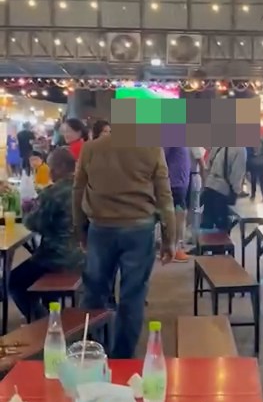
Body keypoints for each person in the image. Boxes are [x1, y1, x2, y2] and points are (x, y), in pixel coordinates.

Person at [73, 134, 175, 359]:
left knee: (94, 292)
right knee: (133, 295)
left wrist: (80, 228)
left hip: (100, 228)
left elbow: (78, 190)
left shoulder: (91, 148)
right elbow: (164, 196)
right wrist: (170, 237)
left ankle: (91, 353)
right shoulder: (151, 147)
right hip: (139, 230)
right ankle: (122, 358)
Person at [9, 148, 83, 321]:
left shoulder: (53, 192)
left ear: (62, 167)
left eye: (53, 167)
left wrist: (29, 210)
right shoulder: (85, 187)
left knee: (13, 282)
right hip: (84, 256)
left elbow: (32, 224)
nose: (50, 172)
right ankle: (47, 313)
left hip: (56, 258)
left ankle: (41, 322)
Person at [201, 147, 246, 232]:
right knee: (222, 230)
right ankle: (220, 244)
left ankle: (206, 244)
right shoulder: (240, 149)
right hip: (222, 191)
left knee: (207, 227)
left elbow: (208, 164)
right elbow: (237, 174)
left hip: (209, 187)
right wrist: (236, 192)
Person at [164, 145, 191, 262]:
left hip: (180, 183)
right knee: (178, 216)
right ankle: (174, 249)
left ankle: (173, 247)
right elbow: (162, 156)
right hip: (175, 183)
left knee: (179, 215)